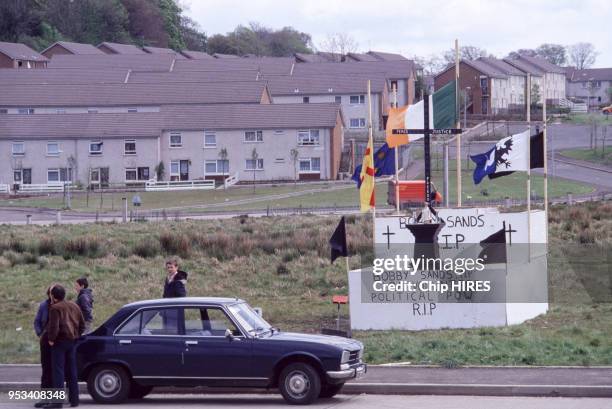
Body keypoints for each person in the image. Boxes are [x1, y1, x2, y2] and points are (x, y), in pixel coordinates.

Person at [47, 285, 85, 408]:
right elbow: (82, 325)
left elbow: (54, 327)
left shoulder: (55, 308)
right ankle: (74, 400)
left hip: (59, 343)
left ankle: (57, 403)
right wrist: (76, 335)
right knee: (72, 371)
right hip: (72, 342)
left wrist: (51, 339)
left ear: (53, 296)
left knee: (58, 372)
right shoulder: (74, 305)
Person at [33, 285, 55, 408]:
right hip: (45, 341)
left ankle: (56, 399)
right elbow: (37, 321)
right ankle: (45, 398)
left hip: (59, 342)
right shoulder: (43, 306)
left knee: (56, 371)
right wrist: (40, 333)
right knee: (46, 370)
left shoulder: (62, 306)